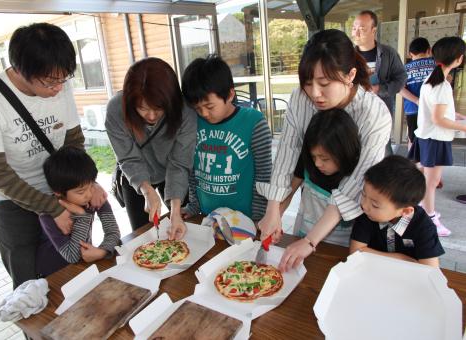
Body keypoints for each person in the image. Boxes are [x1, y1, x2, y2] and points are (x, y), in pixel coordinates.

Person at [0, 23, 106, 289]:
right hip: (13, 203)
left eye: (63, 79)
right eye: (50, 82)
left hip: (61, 193)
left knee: (74, 268)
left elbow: (73, 143)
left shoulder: (60, 83)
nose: (59, 88)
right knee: (31, 283)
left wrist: (88, 183)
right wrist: (52, 209)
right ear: (20, 69)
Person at [257, 29, 392, 272]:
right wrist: (273, 210)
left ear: (350, 75)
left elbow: (356, 183)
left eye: (324, 83)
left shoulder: (374, 114)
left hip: (353, 222)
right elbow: (287, 153)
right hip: (312, 206)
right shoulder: (301, 98)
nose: (315, 93)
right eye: (308, 83)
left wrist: (310, 241)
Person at [106, 57, 196, 238]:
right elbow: (128, 158)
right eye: (143, 108)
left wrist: (176, 210)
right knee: (143, 236)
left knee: (182, 224)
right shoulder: (116, 110)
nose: (152, 116)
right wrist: (146, 189)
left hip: (171, 171)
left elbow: (179, 162)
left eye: (159, 108)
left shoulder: (185, 111)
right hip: (134, 177)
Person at [180, 55, 272, 222]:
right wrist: (194, 205)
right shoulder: (193, 122)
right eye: (198, 108)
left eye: (209, 106)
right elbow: (192, 170)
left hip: (245, 218)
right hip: (208, 216)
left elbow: (264, 175)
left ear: (230, 94)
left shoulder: (254, 122)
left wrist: (258, 217)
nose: (204, 114)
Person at [408, 36, 466, 236]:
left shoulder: (433, 79)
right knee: (430, 182)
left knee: (427, 180)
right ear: (459, 59)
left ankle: (425, 210)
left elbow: (436, 112)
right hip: (435, 139)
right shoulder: (442, 84)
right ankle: (430, 217)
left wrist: (455, 115)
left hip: (427, 137)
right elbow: (439, 119)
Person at [280, 109, 361, 246]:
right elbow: (290, 190)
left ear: (344, 151)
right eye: (313, 157)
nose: (317, 164)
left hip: (340, 247)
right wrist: (277, 215)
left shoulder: (357, 173)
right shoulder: (307, 162)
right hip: (303, 236)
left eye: (325, 158)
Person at [36, 146, 121, 277]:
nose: (89, 194)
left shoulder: (94, 196)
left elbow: (113, 231)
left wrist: (102, 251)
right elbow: (72, 256)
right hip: (55, 273)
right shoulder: (48, 216)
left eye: (92, 185)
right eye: (81, 192)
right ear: (58, 193)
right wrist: (82, 215)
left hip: (83, 267)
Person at [350, 155, 444, 267]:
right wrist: (402, 258)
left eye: (375, 205)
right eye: (363, 195)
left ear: (405, 211)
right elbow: (355, 253)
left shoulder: (423, 226)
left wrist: (367, 252)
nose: (364, 205)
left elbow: (431, 269)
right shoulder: (367, 215)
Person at [352, 10, 407, 155]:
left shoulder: (388, 53)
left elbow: (401, 78)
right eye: (354, 28)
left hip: (382, 111)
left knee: (384, 149)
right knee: (356, 150)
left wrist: (379, 88)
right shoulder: (347, 56)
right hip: (355, 112)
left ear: (373, 30)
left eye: (362, 29)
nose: (356, 33)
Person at [400, 37, 435, 150]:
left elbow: (400, 89)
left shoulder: (404, 69)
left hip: (412, 109)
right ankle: (428, 163)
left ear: (410, 54)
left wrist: (416, 100)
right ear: (429, 50)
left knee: (413, 139)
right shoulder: (436, 65)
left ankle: (413, 165)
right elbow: (447, 80)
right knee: (431, 138)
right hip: (433, 108)